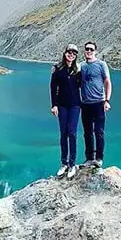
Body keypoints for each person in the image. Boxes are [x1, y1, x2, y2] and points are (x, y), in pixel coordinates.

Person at [49, 44, 82, 178]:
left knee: (72, 133)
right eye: (69, 52)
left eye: (74, 53)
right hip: (62, 105)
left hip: (75, 105)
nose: (71, 55)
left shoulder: (77, 70)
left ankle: (72, 164)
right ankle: (64, 163)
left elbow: (82, 85)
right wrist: (54, 105)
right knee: (63, 133)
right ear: (65, 53)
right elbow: (53, 88)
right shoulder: (57, 69)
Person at [78, 41, 112, 167]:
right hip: (85, 104)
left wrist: (107, 100)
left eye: (91, 49)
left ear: (95, 51)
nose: (89, 51)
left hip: (99, 103)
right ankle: (89, 158)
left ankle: (99, 158)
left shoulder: (101, 64)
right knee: (87, 132)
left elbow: (107, 82)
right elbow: (69, 71)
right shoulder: (81, 66)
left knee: (99, 131)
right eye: (87, 49)